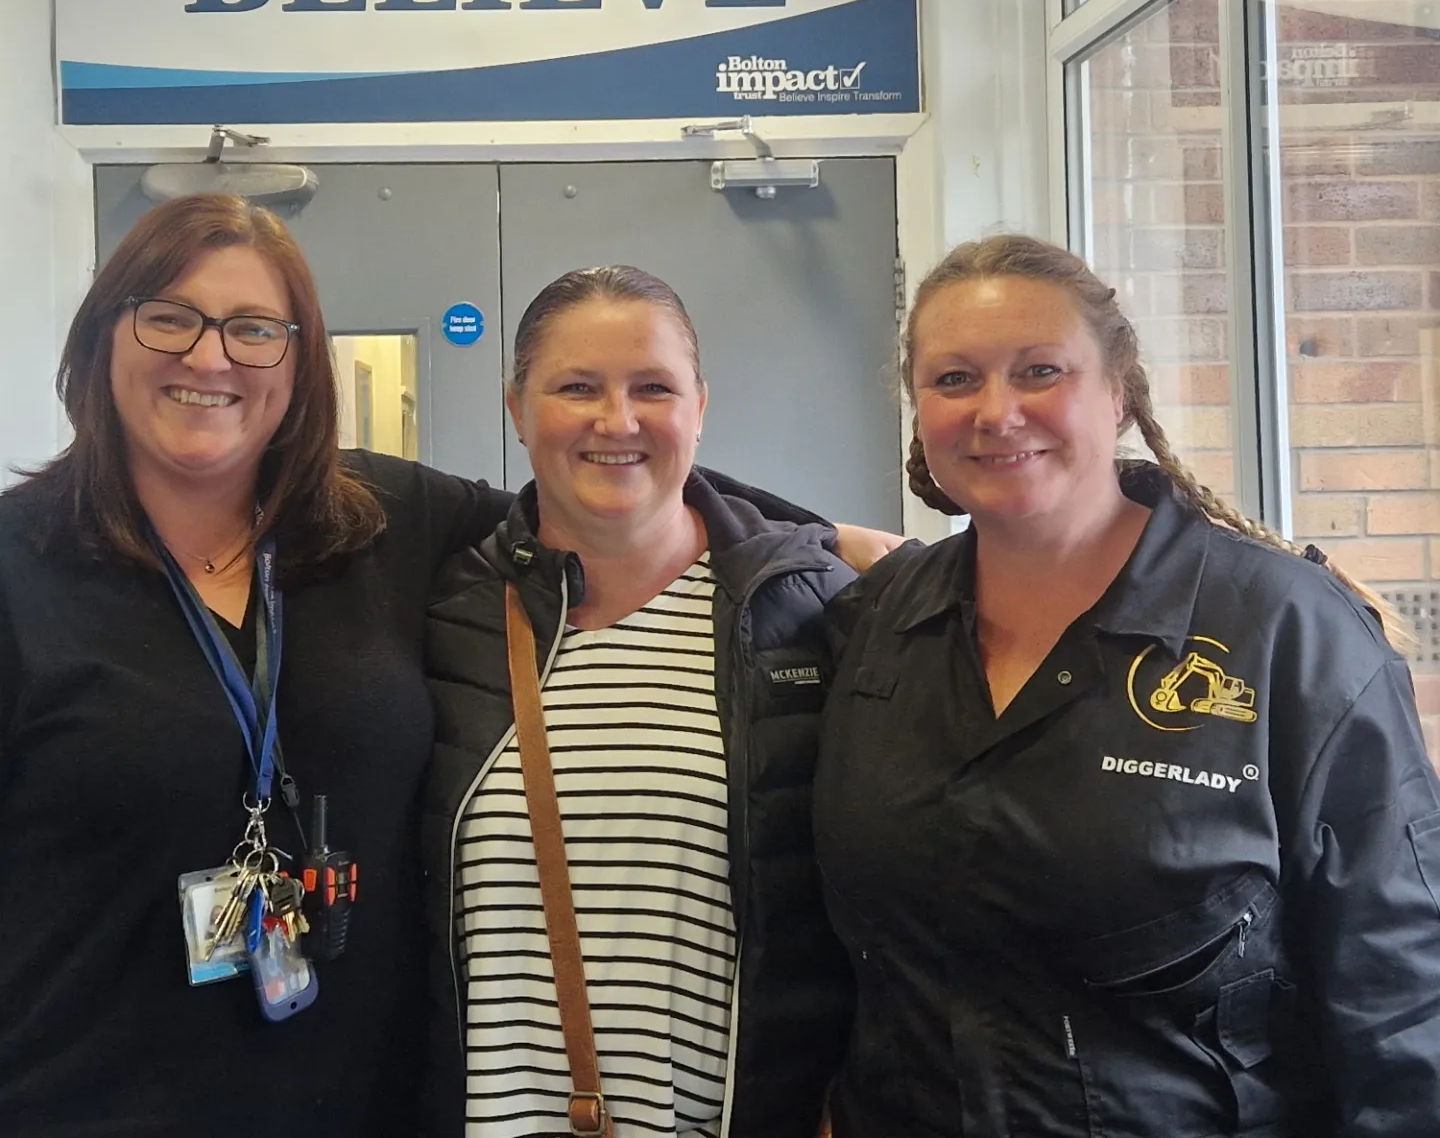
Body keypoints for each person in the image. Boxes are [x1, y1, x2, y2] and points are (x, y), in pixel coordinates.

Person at [0, 194, 892, 1137]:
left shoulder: (372, 516)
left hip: (368, 1108)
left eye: (254, 329)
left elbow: (597, 484)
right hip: (85, 1100)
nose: (210, 357)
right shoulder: (20, 568)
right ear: (101, 338)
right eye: (169, 317)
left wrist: (813, 538)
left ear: (298, 362)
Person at [813, 233, 1440, 1138]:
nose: (997, 411)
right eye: (955, 380)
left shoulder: (1285, 632)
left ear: (1118, 392)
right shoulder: (875, 624)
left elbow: (1400, 991)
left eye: (1040, 371)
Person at [421, 266, 856, 1138]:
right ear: (517, 409)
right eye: (577, 388)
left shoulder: (804, 613)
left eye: (653, 388)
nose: (617, 421)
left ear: (700, 406)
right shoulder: (441, 613)